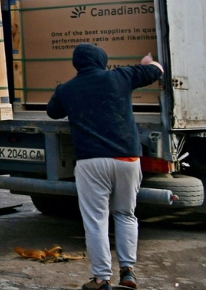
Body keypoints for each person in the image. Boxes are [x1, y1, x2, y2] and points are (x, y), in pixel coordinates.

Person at [46, 43, 164, 290]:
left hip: (92, 162)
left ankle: (101, 279)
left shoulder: (67, 89)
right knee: (125, 214)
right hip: (127, 159)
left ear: (76, 64)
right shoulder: (121, 76)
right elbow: (157, 70)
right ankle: (128, 272)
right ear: (103, 60)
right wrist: (147, 63)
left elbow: (52, 112)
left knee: (96, 221)